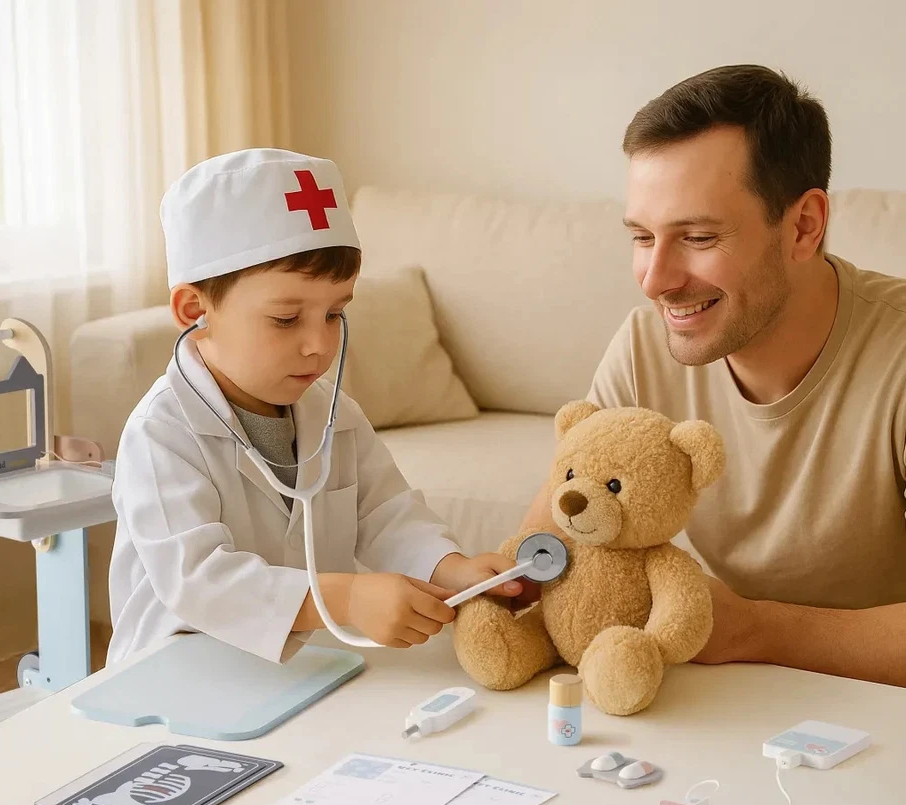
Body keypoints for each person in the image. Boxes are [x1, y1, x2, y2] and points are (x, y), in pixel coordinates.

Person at [519, 65, 906, 688]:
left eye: (698, 236)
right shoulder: (645, 346)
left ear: (804, 226)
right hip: (730, 703)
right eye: (643, 237)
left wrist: (756, 628)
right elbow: (551, 538)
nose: (655, 280)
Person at [107, 148, 523, 672]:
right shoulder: (161, 434)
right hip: (175, 673)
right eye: (286, 319)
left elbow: (385, 514)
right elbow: (197, 579)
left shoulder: (332, 413)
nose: (318, 345)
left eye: (334, 313)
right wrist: (345, 598)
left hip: (296, 673)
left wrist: (452, 569)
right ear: (196, 311)